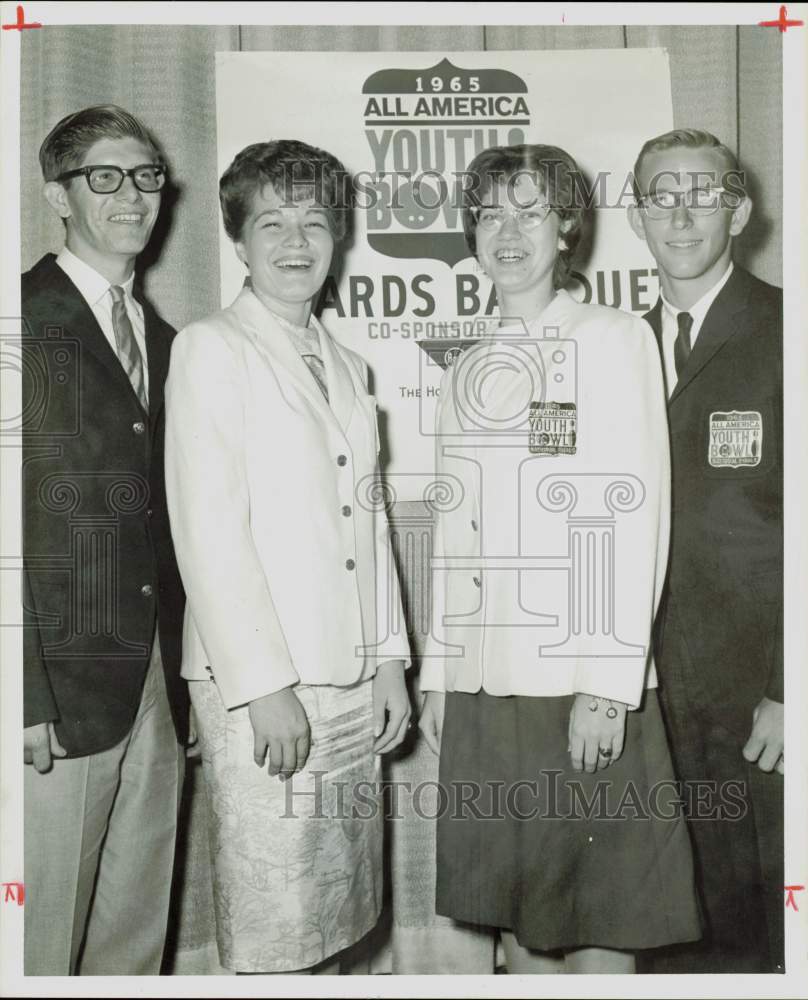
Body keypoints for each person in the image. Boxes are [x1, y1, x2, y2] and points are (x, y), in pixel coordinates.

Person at [418, 143, 702, 974]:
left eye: (530, 211)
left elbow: (629, 512)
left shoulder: (611, 339)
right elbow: (454, 531)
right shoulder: (465, 361)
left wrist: (607, 688)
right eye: (490, 214)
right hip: (482, 688)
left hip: (576, 687)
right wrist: (440, 672)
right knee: (514, 925)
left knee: (601, 925)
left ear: (567, 226)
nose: (508, 232)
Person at [164, 139, 411, 974]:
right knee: (278, 924)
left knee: (338, 912)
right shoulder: (211, 348)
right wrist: (263, 686)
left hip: (348, 679)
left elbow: (367, 526)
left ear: (337, 237)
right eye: (272, 222)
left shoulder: (346, 363)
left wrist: (388, 663)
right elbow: (207, 529)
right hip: (263, 687)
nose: (296, 241)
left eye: (314, 221)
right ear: (238, 240)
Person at [22, 105, 189, 975]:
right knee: (37, 947)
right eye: (106, 177)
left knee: (132, 940)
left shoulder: (165, 341)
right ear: (58, 194)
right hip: (56, 697)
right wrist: (21, 695)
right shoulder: (20, 320)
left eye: (148, 175)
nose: (134, 196)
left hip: (155, 685)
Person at [627, 128, 784, 974]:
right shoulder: (611, 344)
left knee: (771, 919)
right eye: (660, 193)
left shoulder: (785, 330)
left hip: (758, 692)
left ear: (739, 209)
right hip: (647, 689)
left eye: (700, 191)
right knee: (669, 915)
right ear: (635, 216)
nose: (680, 212)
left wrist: (788, 690)